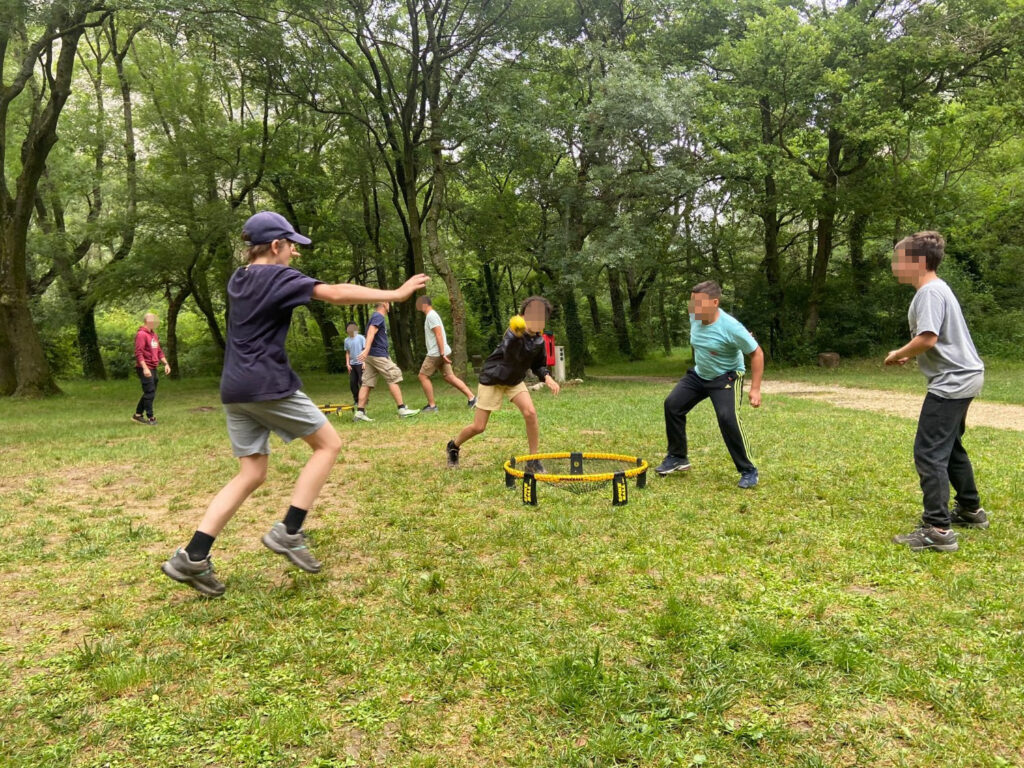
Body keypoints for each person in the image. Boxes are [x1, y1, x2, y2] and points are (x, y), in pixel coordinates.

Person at [161, 211, 428, 596]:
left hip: (234, 389)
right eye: (291, 247)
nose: (294, 256)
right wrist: (396, 294)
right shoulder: (276, 275)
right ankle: (289, 529)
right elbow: (334, 293)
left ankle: (193, 555)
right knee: (329, 444)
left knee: (251, 474)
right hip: (267, 383)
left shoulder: (238, 278)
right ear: (275, 246)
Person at [886, 231, 987, 553]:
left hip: (953, 381)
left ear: (916, 261)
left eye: (897, 259)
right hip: (966, 376)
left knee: (929, 453)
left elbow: (928, 337)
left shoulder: (928, 292)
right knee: (950, 447)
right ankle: (970, 510)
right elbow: (934, 340)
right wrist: (908, 353)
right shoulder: (937, 289)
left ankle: (938, 529)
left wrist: (898, 352)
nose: (893, 265)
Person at [655, 280, 763, 489]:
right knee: (673, 405)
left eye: (699, 304)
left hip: (726, 376)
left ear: (715, 302)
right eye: (692, 303)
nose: (694, 308)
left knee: (727, 417)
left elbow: (757, 353)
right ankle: (678, 457)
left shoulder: (731, 326)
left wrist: (755, 388)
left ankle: (748, 470)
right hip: (699, 374)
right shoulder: (694, 316)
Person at [446, 296, 560, 471]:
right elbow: (510, 354)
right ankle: (453, 445)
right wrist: (515, 336)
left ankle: (533, 459)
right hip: (493, 379)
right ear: (522, 315)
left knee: (530, 413)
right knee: (479, 427)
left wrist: (547, 377)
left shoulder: (539, 341)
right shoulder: (513, 333)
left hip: (514, 381)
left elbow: (538, 365)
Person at [353, 302, 419, 421]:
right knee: (393, 376)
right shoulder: (378, 316)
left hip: (371, 356)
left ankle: (360, 413)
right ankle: (402, 409)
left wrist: (366, 351)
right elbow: (371, 332)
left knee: (367, 383)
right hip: (377, 354)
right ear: (384, 303)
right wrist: (367, 349)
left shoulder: (374, 316)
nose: (390, 305)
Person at [415, 295, 476, 412]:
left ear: (424, 304)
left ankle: (432, 406)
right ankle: (472, 398)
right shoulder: (432, 315)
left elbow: (438, 334)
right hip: (441, 351)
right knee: (449, 377)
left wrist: (442, 353)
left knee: (423, 376)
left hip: (436, 352)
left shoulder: (431, 316)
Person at [132, 313, 171, 425]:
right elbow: (138, 353)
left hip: (153, 367)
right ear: (148, 322)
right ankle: (150, 417)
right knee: (150, 391)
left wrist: (166, 364)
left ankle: (138, 415)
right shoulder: (141, 335)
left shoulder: (154, 335)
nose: (155, 323)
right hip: (144, 367)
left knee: (150, 392)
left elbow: (159, 351)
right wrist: (145, 368)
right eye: (153, 321)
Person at [343, 322, 365, 406]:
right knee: (352, 383)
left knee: (362, 382)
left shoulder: (361, 338)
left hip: (361, 363)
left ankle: (364, 400)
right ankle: (356, 400)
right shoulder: (346, 340)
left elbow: (364, 350)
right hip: (352, 364)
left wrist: (364, 362)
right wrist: (347, 364)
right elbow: (347, 353)